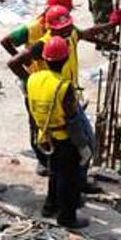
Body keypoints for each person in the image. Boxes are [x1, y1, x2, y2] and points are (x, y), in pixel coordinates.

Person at [7, 5, 112, 186]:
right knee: (76, 146)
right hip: (58, 101)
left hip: (69, 96)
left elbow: (86, 33)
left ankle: (74, 184)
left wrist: (111, 25)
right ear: (50, 28)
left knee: (78, 147)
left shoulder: (70, 34)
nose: (65, 32)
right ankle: (74, 187)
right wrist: (31, 81)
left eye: (67, 27)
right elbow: (14, 62)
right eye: (61, 30)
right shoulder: (44, 45)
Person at [20, 36, 88, 229]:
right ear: (65, 59)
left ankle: (50, 205)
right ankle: (67, 217)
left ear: (45, 58)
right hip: (64, 137)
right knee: (69, 178)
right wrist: (83, 146)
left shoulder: (33, 79)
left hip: (45, 135)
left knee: (54, 172)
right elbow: (73, 120)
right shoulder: (63, 86)